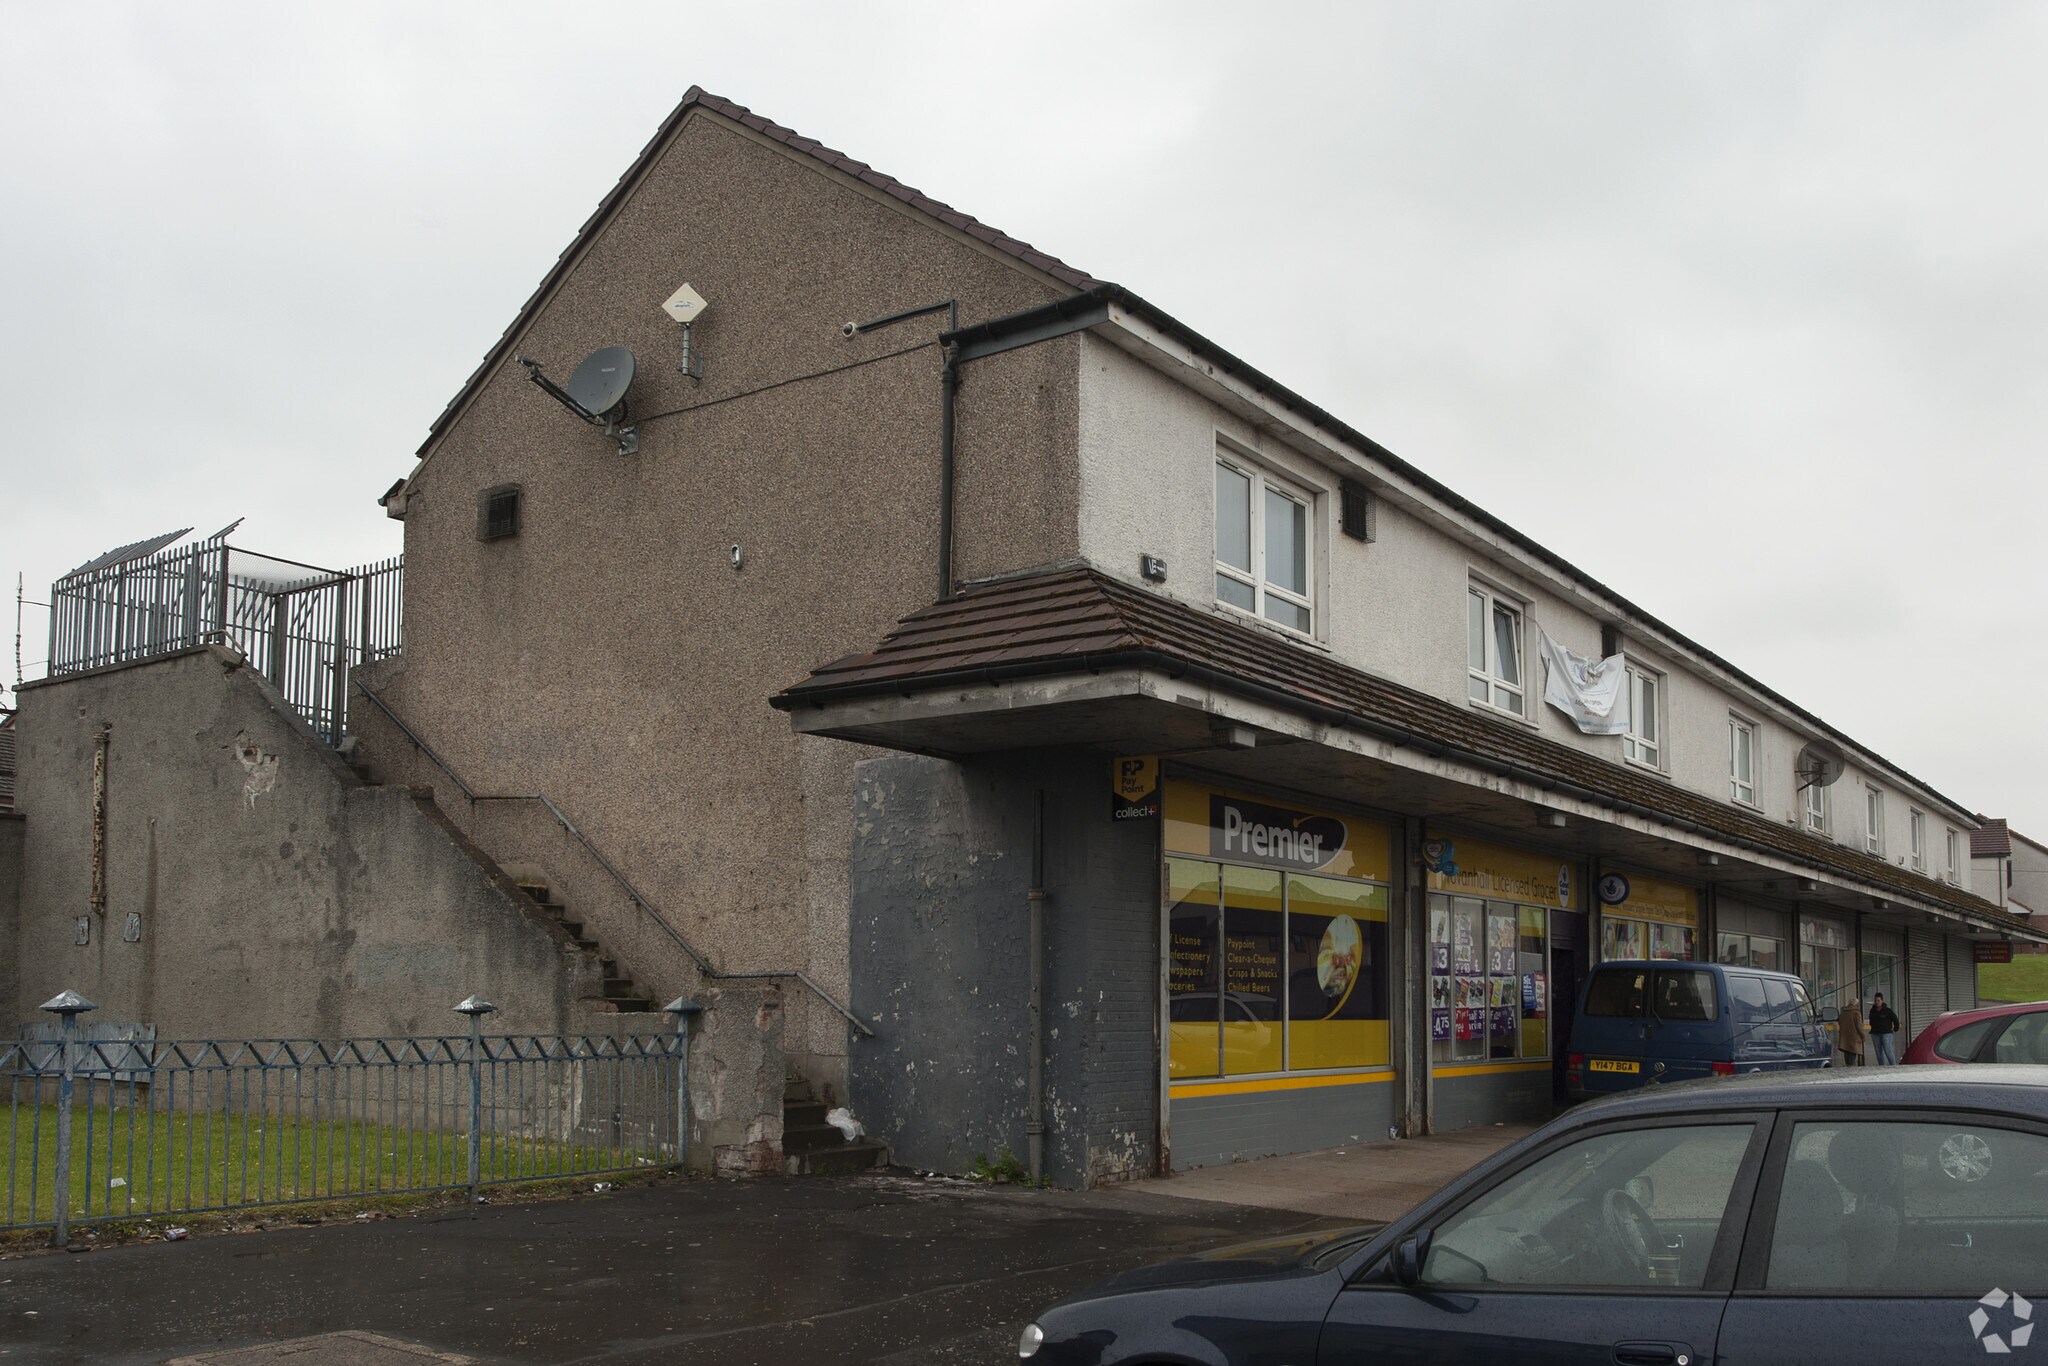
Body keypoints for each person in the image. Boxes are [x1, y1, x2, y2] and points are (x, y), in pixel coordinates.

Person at [1869, 993, 1901, 1065]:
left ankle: (1893, 1066)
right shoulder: (1872, 1011)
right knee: (1878, 1052)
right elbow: (1871, 1020)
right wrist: (1873, 1027)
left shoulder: (1888, 1011)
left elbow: (1895, 1020)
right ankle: (1881, 1067)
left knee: (1887, 1050)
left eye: (1878, 1000)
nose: (1877, 1002)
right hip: (1875, 1033)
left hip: (1886, 1033)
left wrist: (1895, 1029)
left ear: (1882, 1001)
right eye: (1875, 1000)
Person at [1836, 996, 1867, 1067]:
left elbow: (1839, 1022)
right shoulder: (1856, 1013)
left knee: (1847, 1056)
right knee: (1852, 1056)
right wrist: (1863, 1036)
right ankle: (1850, 1069)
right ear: (1856, 1004)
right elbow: (1859, 1026)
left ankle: (1848, 1067)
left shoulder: (1843, 1012)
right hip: (1854, 1038)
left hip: (1844, 1038)